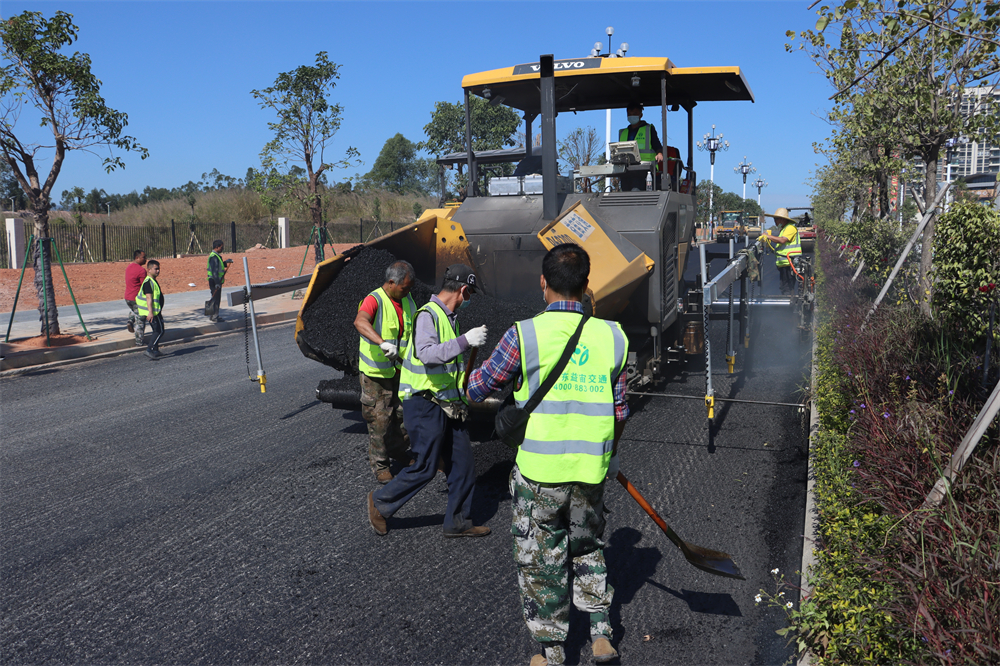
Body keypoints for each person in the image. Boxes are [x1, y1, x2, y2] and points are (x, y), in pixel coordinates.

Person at [467, 243, 629, 666]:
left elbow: (478, 388)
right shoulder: (614, 336)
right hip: (590, 472)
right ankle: (601, 634)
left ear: (543, 283)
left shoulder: (524, 335)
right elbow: (619, 412)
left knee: (543, 560)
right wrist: (608, 455)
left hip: (540, 474)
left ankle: (553, 653)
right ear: (586, 285)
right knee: (588, 545)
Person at [367, 263, 491, 538]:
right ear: (463, 290)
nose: (469, 299)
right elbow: (427, 354)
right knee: (425, 466)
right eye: (470, 293)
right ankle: (380, 503)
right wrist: (465, 341)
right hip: (424, 402)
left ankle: (458, 522)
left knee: (462, 464)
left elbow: (449, 367)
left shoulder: (450, 318)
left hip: (448, 404)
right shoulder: (428, 315)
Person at [354, 260, 417, 484]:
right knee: (379, 420)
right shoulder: (374, 300)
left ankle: (399, 452)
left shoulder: (407, 299)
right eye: (404, 287)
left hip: (401, 370)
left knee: (402, 416)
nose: (408, 291)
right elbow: (360, 322)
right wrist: (381, 342)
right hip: (376, 374)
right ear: (391, 282)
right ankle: (380, 465)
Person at [618, 103, 663, 192]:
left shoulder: (648, 129)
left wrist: (659, 153)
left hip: (643, 171)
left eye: (634, 113)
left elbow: (657, 145)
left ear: (640, 115)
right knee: (625, 195)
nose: (632, 116)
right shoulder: (622, 132)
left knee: (636, 192)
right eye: (629, 114)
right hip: (626, 171)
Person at [760, 208, 802, 294]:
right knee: (785, 287)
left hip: (790, 263)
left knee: (787, 288)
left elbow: (782, 240)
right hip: (784, 263)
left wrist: (768, 236)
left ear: (782, 219)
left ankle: (789, 301)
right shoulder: (784, 229)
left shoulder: (790, 228)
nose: (774, 221)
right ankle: (789, 299)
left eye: (776, 219)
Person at [138, 259, 165, 360]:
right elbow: (148, 298)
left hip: (156, 311)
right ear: (149, 270)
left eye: (159, 269)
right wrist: (150, 312)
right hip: (153, 312)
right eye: (156, 269)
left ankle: (156, 350)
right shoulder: (148, 282)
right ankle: (149, 349)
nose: (158, 271)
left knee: (157, 330)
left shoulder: (152, 281)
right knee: (160, 331)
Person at [124, 249, 147, 347]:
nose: (146, 259)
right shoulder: (141, 271)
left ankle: (130, 320)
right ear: (137, 258)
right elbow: (145, 286)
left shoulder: (129, 267)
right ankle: (139, 342)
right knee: (140, 320)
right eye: (143, 257)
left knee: (135, 310)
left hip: (128, 297)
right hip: (137, 298)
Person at [206, 240, 231, 322]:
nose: (222, 248)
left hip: (215, 280)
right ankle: (214, 316)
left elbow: (218, 265)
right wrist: (217, 283)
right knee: (216, 298)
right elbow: (214, 271)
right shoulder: (214, 257)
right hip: (214, 281)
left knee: (215, 298)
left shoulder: (216, 256)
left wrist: (225, 262)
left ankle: (213, 315)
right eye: (221, 247)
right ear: (217, 247)